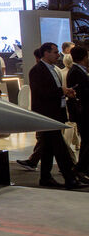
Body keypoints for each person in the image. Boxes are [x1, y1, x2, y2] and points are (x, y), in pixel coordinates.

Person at [27, 42, 81, 189]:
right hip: (46, 115)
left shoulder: (53, 70)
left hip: (55, 113)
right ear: (46, 53)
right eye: (55, 52)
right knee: (59, 148)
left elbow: (53, 90)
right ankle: (70, 178)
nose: (58, 55)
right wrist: (61, 91)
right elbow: (40, 92)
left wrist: (64, 92)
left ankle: (45, 177)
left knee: (48, 148)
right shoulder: (36, 71)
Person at [64, 46, 89, 182]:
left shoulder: (79, 71)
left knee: (86, 141)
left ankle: (83, 169)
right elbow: (81, 93)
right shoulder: (76, 72)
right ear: (85, 57)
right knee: (87, 141)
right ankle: (80, 168)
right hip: (83, 112)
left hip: (83, 111)